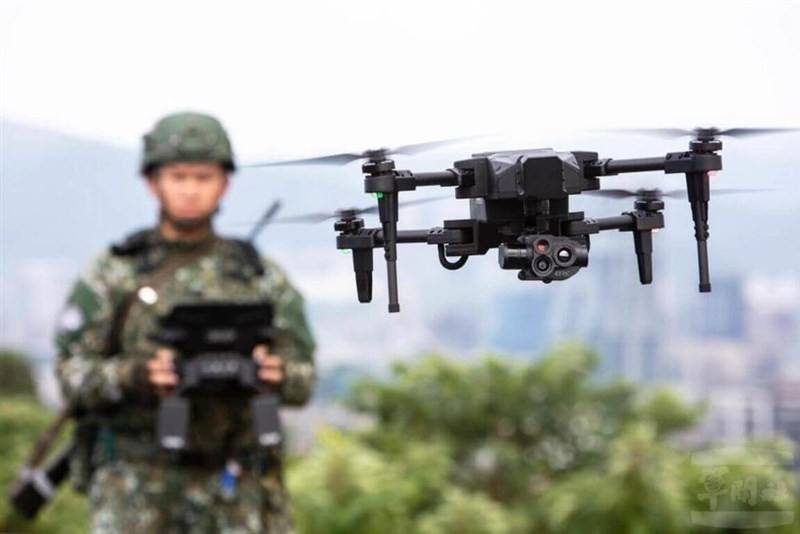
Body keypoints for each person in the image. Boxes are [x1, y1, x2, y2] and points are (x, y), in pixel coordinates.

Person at [54, 111, 316, 533]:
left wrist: (274, 373)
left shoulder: (259, 277)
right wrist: (137, 375)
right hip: (136, 487)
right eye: (178, 176)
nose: (191, 190)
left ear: (224, 183)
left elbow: (304, 378)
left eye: (203, 176)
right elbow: (71, 375)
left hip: (238, 487)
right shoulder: (114, 274)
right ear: (152, 181)